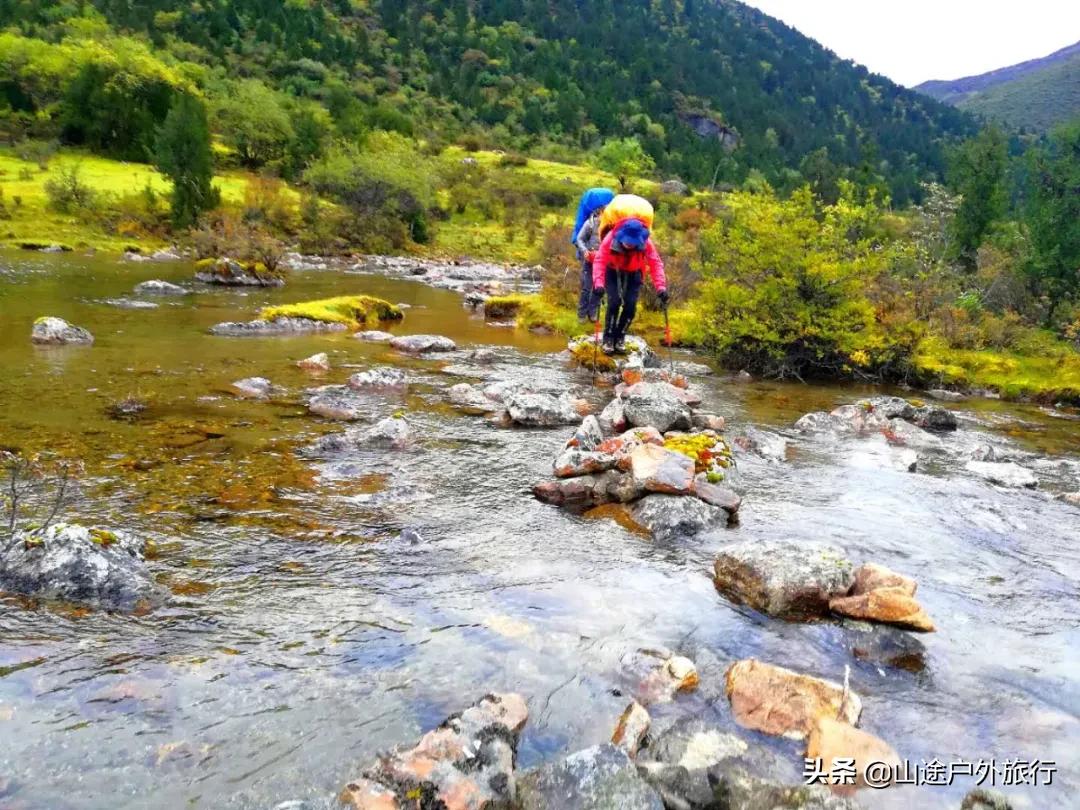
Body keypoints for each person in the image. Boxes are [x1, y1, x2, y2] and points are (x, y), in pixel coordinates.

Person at [591, 204, 668, 355]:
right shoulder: (610, 238)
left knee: (630, 307)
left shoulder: (646, 243)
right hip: (612, 270)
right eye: (627, 240)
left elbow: (655, 263)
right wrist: (598, 284)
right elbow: (599, 260)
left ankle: (620, 337)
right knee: (614, 302)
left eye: (633, 242)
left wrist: (661, 288)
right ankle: (608, 339)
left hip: (634, 273)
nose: (629, 243)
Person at [571, 187, 615, 321]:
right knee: (586, 287)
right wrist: (585, 251)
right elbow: (579, 239)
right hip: (589, 261)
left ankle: (592, 312)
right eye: (604, 211)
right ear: (600, 211)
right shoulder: (590, 224)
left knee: (599, 287)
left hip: (604, 262)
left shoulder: (612, 227)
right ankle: (581, 314)